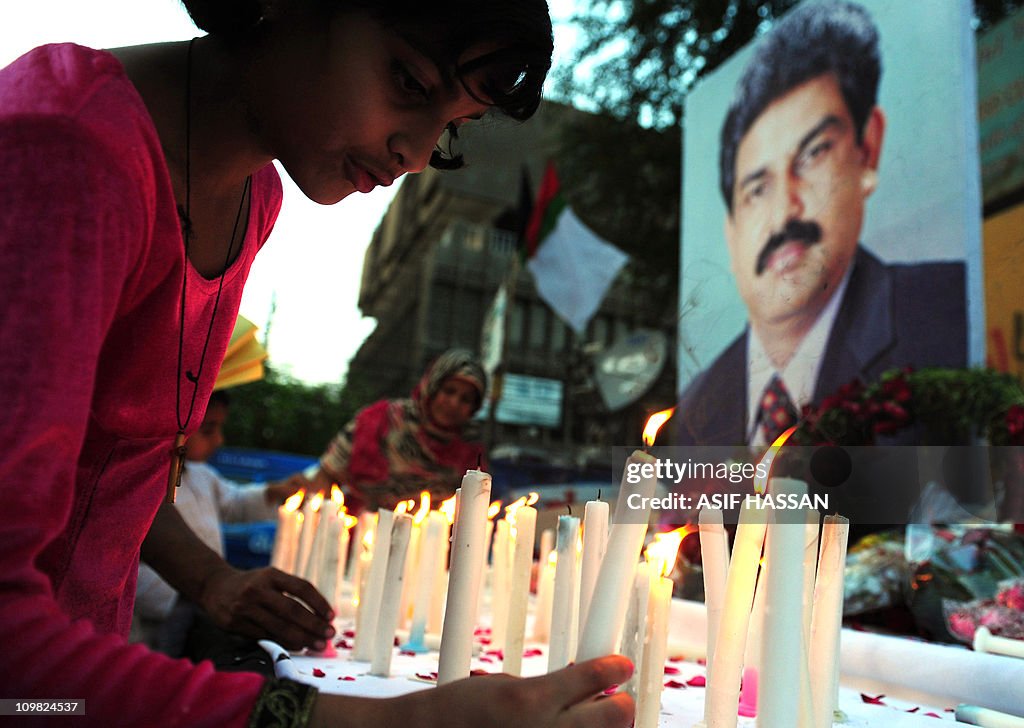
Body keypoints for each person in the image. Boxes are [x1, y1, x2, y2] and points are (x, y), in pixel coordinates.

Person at [0, 2, 634, 727]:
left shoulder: (255, 197)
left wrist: (212, 580)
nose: (420, 154)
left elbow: (110, 463)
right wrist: (391, 721)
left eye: (453, 127)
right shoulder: (63, 155)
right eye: (409, 80)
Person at [676, 0, 967, 447]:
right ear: (730, 233)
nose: (785, 212)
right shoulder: (696, 405)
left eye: (813, 154)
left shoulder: (943, 317)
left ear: (867, 149)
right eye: (756, 189)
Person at [132, 389, 305, 657]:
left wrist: (272, 493)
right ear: (175, 424)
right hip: (157, 610)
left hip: (203, 604)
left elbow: (235, 503)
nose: (219, 440)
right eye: (208, 429)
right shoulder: (143, 481)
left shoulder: (204, 476)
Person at [306, 349, 488, 513]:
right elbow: (327, 473)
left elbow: (473, 510)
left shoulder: (470, 449)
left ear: (474, 408)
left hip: (427, 545)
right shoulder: (380, 421)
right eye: (449, 391)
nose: (454, 403)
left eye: (465, 399)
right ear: (432, 387)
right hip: (358, 534)